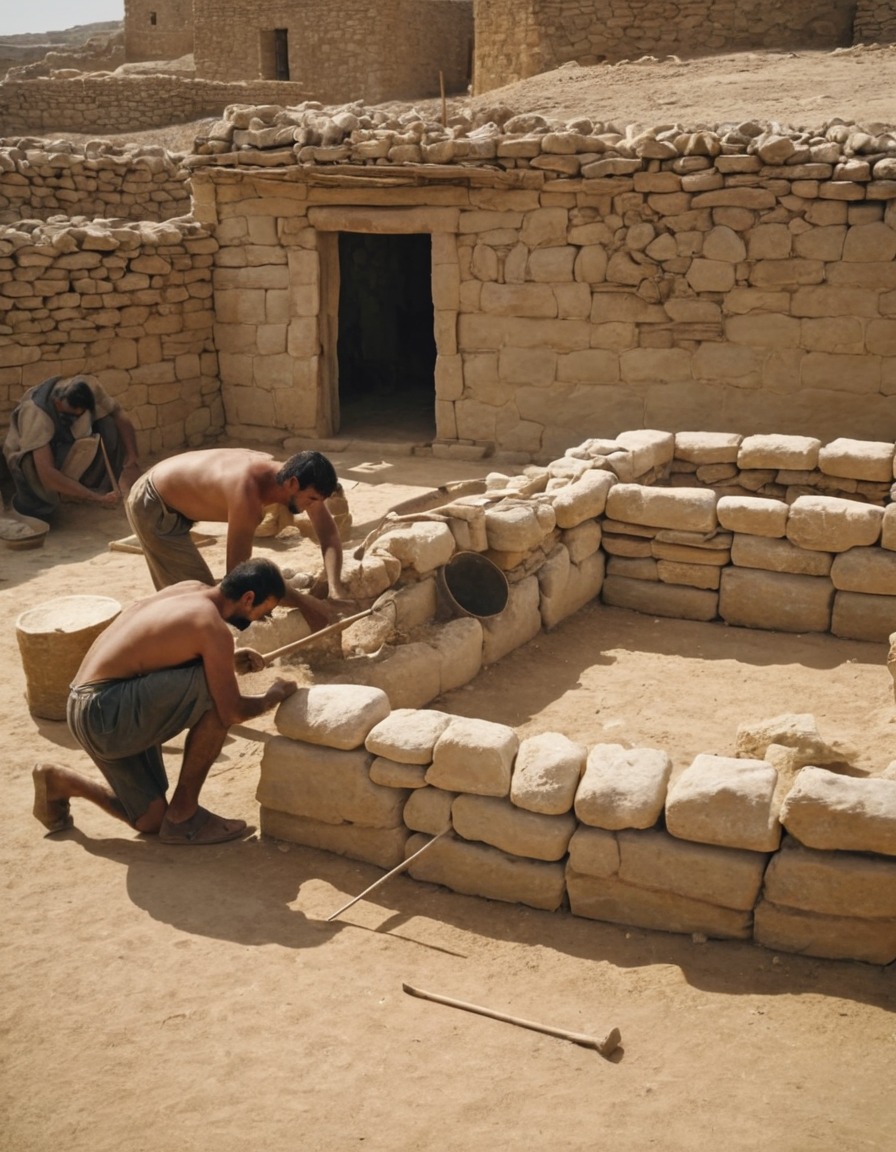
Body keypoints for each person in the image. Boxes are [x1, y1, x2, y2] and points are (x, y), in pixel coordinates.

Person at [31, 557, 297, 846]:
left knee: (151, 820)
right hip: (105, 712)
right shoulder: (211, 627)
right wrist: (274, 696)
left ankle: (59, 781)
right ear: (248, 598)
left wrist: (224, 661)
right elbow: (231, 710)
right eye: (264, 612)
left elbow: (156, 648)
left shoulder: (188, 589)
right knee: (218, 699)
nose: (259, 619)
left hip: (83, 705)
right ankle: (184, 815)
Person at [125, 447, 351, 630]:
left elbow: (328, 534)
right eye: (311, 500)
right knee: (201, 602)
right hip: (152, 502)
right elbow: (237, 577)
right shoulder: (246, 495)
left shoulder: (288, 476)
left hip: (176, 492)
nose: (312, 507)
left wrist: (335, 588)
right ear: (292, 483)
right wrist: (306, 603)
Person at [3, 373, 142, 518]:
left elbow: (119, 415)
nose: (75, 418)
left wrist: (131, 459)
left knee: (109, 425)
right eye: (70, 415)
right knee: (36, 481)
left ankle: (95, 487)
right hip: (32, 457)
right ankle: (45, 502)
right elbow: (47, 473)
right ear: (57, 403)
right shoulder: (36, 413)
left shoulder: (90, 387)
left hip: (66, 441)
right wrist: (93, 497)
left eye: (79, 414)